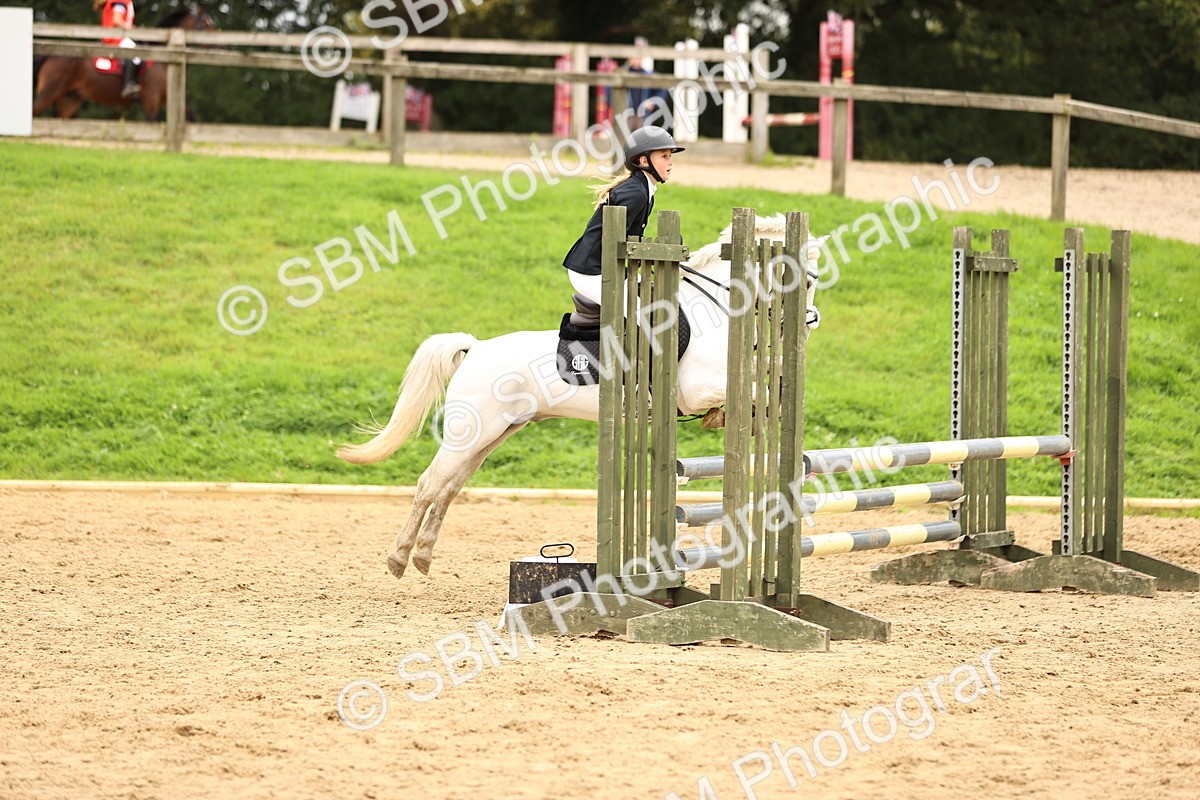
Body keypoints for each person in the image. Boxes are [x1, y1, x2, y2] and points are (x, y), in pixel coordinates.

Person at [562, 126, 684, 317]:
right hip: (591, 272)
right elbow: (617, 243)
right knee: (642, 317)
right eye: (664, 156)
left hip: (607, 266)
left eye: (670, 156)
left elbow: (629, 239)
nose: (671, 161)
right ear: (644, 161)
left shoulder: (644, 190)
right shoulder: (636, 193)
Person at [95, 0, 141, 98]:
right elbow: (117, 20)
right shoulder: (121, 0)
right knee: (136, 53)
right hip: (115, 39)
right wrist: (133, 30)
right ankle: (128, 85)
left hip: (115, 37)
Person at [625, 37, 670, 130]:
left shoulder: (648, 74)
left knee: (642, 137)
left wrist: (653, 101)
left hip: (643, 116)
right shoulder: (623, 73)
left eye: (638, 56)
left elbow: (662, 89)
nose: (636, 58)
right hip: (626, 115)